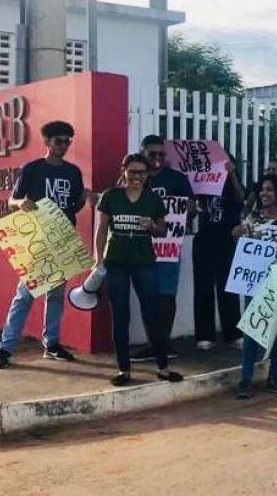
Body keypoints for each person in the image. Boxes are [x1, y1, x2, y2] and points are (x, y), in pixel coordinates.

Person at [0, 121, 86, 369]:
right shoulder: (32, 169)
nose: (63, 146)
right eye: (58, 141)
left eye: (67, 141)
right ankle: (5, 349)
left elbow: (72, 206)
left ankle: (51, 344)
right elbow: (12, 199)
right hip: (36, 239)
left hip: (62, 237)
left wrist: (84, 199)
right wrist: (21, 203)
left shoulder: (73, 172)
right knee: (25, 294)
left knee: (55, 295)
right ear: (47, 142)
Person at [94, 154, 182, 385]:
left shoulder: (153, 199)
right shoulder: (111, 196)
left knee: (152, 314)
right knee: (120, 316)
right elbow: (102, 229)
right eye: (132, 172)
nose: (137, 177)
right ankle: (124, 370)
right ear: (124, 171)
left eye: (141, 173)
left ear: (146, 174)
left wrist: (152, 226)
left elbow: (162, 230)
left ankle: (163, 368)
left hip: (144, 262)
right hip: (116, 263)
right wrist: (98, 259)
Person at [233, 173, 277, 399]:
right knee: (252, 329)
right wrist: (236, 235)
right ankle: (245, 378)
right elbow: (242, 246)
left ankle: (274, 375)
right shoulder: (253, 219)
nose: (264, 193)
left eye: (270, 189)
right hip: (255, 282)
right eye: (262, 189)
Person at [130, 135, 194, 363]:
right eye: (152, 154)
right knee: (148, 296)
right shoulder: (136, 178)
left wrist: (187, 212)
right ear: (142, 152)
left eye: (161, 154)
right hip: (141, 246)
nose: (157, 158)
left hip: (168, 245)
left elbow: (191, 207)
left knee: (166, 295)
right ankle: (153, 343)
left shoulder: (176, 179)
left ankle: (163, 343)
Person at [193, 158, 245, 350]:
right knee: (203, 287)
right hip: (204, 238)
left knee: (228, 288)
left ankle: (232, 333)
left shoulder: (233, 184)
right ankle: (205, 335)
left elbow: (241, 198)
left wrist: (231, 173)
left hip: (226, 239)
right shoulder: (203, 182)